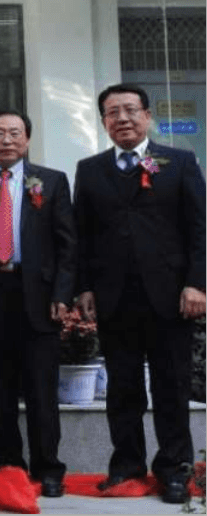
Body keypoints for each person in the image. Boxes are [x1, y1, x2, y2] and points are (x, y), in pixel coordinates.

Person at [73, 83, 205, 504]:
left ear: (147, 116)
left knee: (171, 386)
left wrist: (198, 283)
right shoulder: (90, 170)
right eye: (113, 112)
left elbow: (200, 227)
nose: (123, 118)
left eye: (131, 110)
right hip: (114, 297)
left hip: (170, 296)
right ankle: (126, 467)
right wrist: (84, 287)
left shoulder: (179, 162)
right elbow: (82, 235)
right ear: (104, 122)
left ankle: (174, 469)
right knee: (123, 387)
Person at [0, 109, 73, 498]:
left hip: (38, 298)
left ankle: (48, 468)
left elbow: (67, 245)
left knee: (42, 390)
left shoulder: (51, 181)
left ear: (27, 139)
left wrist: (62, 294)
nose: (7, 140)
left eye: (14, 133)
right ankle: (8, 464)